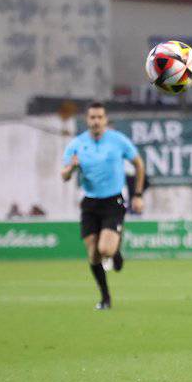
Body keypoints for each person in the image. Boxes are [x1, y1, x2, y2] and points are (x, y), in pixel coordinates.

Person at [61, 101, 145, 310]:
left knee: (105, 249)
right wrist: (71, 168)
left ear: (105, 120)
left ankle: (115, 251)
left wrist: (137, 194)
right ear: (87, 120)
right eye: (92, 117)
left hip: (113, 201)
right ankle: (105, 298)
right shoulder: (76, 144)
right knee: (94, 255)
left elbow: (139, 164)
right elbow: (64, 175)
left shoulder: (118, 141)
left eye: (100, 117)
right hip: (89, 203)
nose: (96, 121)